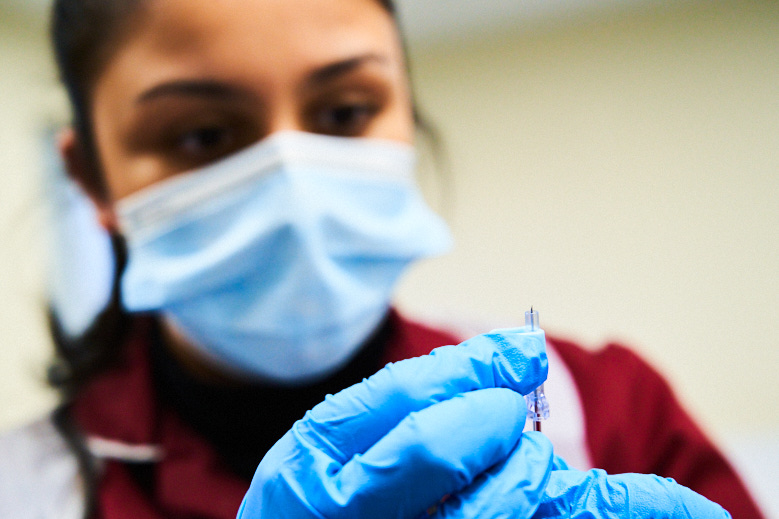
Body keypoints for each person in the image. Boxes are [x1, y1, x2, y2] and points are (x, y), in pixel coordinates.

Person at [0, 0, 765, 518]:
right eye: (201, 134)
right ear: (93, 179)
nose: (293, 182)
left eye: (342, 112)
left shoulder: (604, 407)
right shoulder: (24, 491)